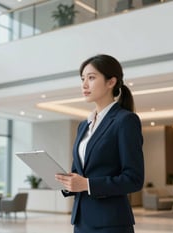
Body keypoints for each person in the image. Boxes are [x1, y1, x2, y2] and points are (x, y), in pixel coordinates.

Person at [55, 54, 144, 233]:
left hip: (111, 224)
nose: (84, 84)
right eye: (82, 79)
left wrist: (87, 185)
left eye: (91, 78)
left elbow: (134, 180)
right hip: (81, 222)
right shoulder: (83, 125)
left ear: (111, 82)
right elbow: (79, 172)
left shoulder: (125, 120)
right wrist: (67, 183)